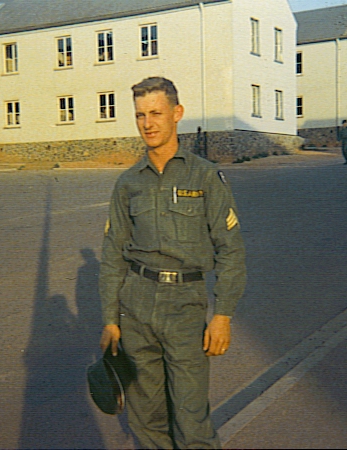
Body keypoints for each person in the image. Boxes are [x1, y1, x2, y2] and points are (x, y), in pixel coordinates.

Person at [99, 77, 246, 449]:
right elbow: (113, 254)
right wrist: (111, 319)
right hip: (136, 305)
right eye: (140, 115)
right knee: (146, 420)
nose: (147, 124)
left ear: (177, 114)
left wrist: (223, 315)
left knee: (191, 420)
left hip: (184, 305)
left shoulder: (205, 176)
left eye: (156, 113)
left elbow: (231, 251)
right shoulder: (128, 183)